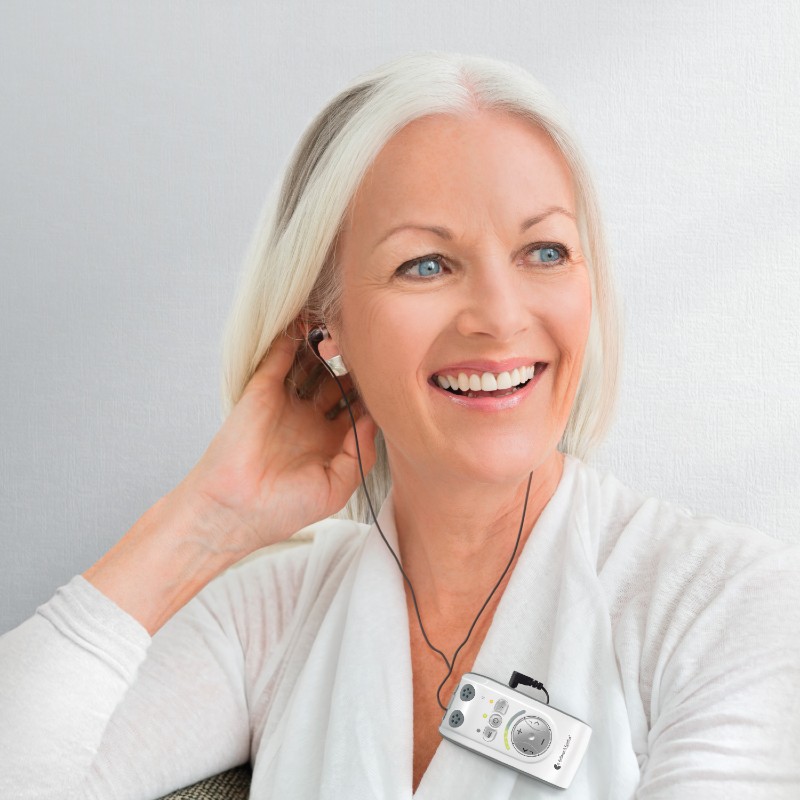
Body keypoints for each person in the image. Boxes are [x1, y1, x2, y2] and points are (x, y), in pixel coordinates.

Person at [1, 51, 798, 800]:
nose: (499, 316)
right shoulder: (276, 609)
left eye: (545, 252)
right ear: (328, 330)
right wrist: (206, 520)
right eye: (427, 264)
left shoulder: (724, 605)